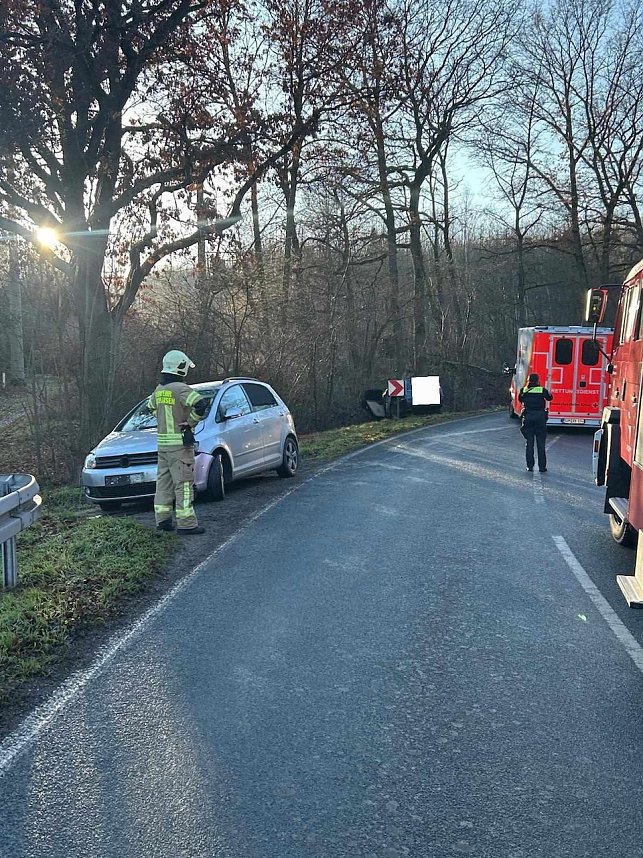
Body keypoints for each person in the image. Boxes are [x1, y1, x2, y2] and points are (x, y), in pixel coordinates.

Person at [147, 350, 207, 534]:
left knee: (163, 484)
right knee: (184, 485)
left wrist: (165, 421)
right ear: (181, 367)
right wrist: (189, 423)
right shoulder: (180, 389)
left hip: (162, 446)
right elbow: (201, 404)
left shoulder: (159, 390)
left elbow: (150, 408)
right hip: (180, 447)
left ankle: (163, 522)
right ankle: (187, 524)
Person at [519, 372, 553, 473]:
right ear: (538, 381)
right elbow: (550, 397)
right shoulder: (542, 390)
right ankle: (542, 467)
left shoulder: (523, 390)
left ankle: (530, 466)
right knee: (541, 444)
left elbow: (520, 400)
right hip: (540, 418)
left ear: (528, 380)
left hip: (528, 418)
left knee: (529, 443)